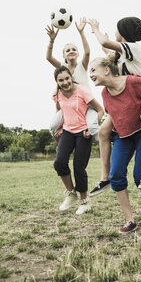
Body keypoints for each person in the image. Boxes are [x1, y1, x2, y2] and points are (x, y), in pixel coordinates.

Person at [88, 17, 141, 196]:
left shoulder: (134, 48)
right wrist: (104, 48)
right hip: (130, 101)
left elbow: (105, 42)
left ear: (122, 32)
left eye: (117, 29)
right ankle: (105, 178)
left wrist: (96, 30)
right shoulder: (123, 54)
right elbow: (108, 55)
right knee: (103, 132)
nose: (114, 33)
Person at [89, 57, 141, 233]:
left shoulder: (132, 83)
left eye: (93, 70)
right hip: (123, 137)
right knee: (115, 175)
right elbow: (116, 116)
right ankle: (129, 220)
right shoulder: (104, 95)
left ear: (107, 69)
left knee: (140, 176)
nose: (90, 74)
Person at [53, 65, 104, 214]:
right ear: (57, 82)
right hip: (67, 131)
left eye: (67, 78)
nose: (65, 82)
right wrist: (59, 126)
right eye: (61, 80)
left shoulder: (82, 91)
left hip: (83, 132)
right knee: (59, 162)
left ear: (71, 77)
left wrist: (93, 127)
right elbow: (59, 111)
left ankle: (84, 201)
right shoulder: (58, 93)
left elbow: (100, 109)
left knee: (78, 167)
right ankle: (71, 193)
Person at [45, 18, 98, 139]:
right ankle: (61, 149)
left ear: (78, 54)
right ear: (63, 56)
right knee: (53, 127)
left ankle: (98, 143)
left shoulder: (82, 66)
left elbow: (88, 52)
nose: (71, 51)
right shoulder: (62, 68)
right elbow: (48, 57)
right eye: (67, 50)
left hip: (86, 103)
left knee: (92, 128)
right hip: (69, 105)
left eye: (74, 49)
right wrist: (51, 41)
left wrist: (81, 32)